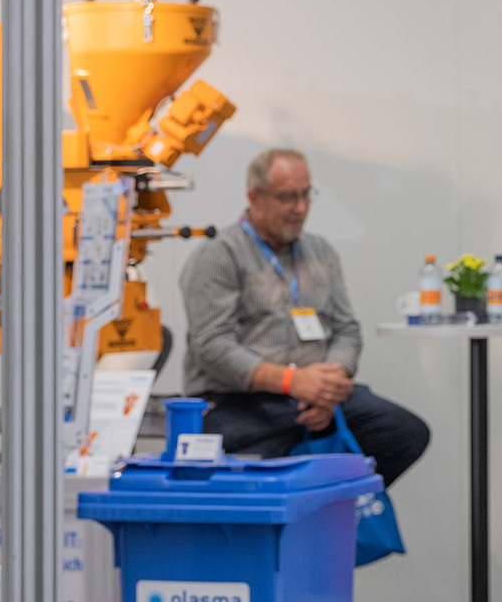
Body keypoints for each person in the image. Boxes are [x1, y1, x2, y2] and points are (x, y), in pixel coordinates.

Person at [179, 147, 430, 486]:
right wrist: (291, 381)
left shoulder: (321, 251)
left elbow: (346, 330)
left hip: (315, 396)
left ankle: (332, 508)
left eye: (306, 195)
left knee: (404, 432)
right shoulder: (217, 255)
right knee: (248, 472)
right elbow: (212, 346)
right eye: (287, 197)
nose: (300, 208)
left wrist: (329, 385)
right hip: (240, 402)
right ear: (255, 198)